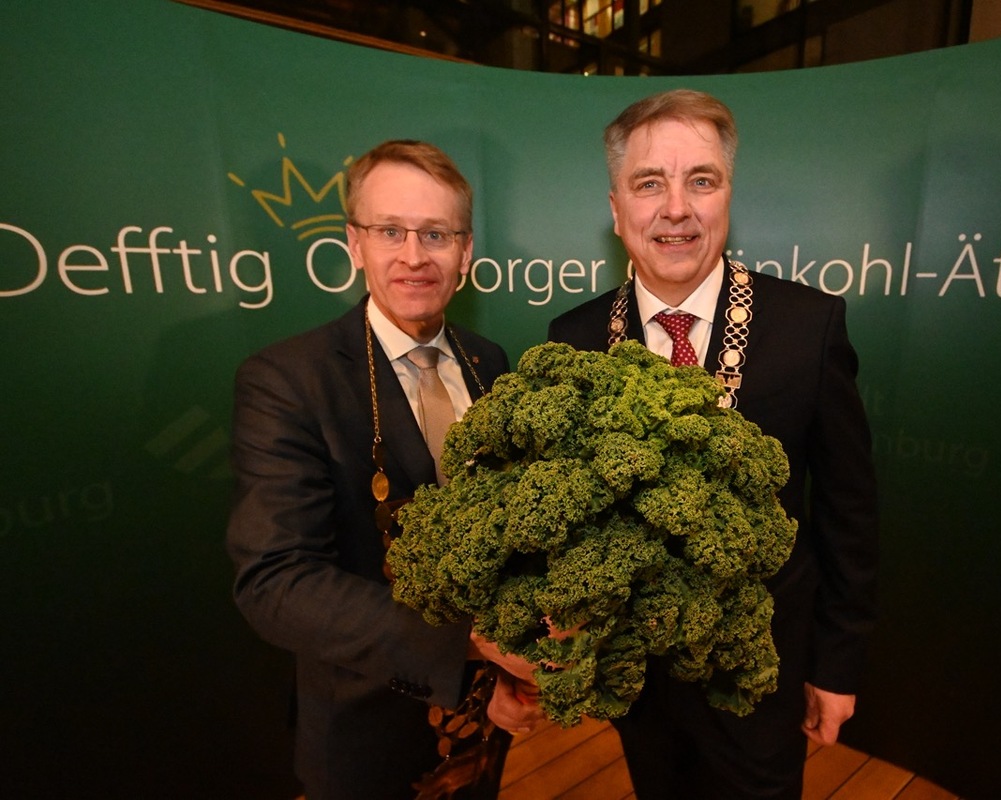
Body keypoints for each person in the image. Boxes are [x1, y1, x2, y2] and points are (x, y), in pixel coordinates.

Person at [547, 89, 879, 799]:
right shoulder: (571, 342)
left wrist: (837, 664)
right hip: (634, 678)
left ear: (728, 195)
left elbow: (848, 511)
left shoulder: (808, 327)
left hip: (761, 670)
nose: (676, 208)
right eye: (649, 184)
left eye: (701, 180)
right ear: (616, 209)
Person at [227, 139, 542, 800]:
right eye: (389, 230)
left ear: (466, 252)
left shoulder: (491, 361)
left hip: (486, 725)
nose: (413, 255)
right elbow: (275, 583)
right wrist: (474, 644)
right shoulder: (289, 380)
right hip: (364, 737)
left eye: (436, 233)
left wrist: (505, 682)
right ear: (353, 244)